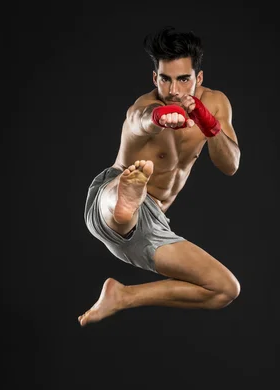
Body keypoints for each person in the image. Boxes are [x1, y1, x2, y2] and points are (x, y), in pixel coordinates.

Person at [78, 25, 241, 326]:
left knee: (225, 289)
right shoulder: (144, 107)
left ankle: (122, 296)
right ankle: (126, 199)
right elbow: (138, 122)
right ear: (155, 78)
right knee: (121, 197)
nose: (174, 90)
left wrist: (207, 121)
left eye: (183, 79)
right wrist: (158, 118)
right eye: (165, 79)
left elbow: (230, 164)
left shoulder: (216, 104)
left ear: (198, 78)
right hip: (108, 198)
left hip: (150, 229)